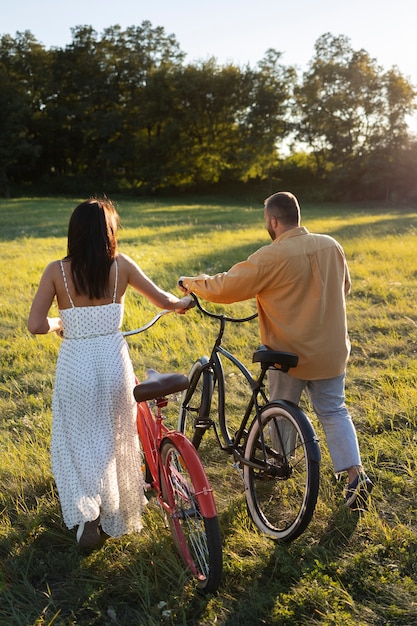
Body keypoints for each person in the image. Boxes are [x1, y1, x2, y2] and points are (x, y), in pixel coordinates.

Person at [178, 191, 373, 509]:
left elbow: (227, 286)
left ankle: (278, 462)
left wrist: (191, 282)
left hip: (289, 353)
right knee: (335, 411)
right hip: (332, 350)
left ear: (273, 220)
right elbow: (344, 287)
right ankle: (355, 477)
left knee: (281, 406)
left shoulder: (272, 256)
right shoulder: (331, 246)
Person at [28, 197, 193, 550]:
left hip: (76, 364)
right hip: (113, 362)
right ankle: (113, 508)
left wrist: (60, 323)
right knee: (115, 437)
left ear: (74, 232)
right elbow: (164, 300)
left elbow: (35, 324)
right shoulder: (122, 266)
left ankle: (87, 515)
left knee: (77, 439)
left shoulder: (56, 271)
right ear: (109, 232)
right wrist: (182, 304)